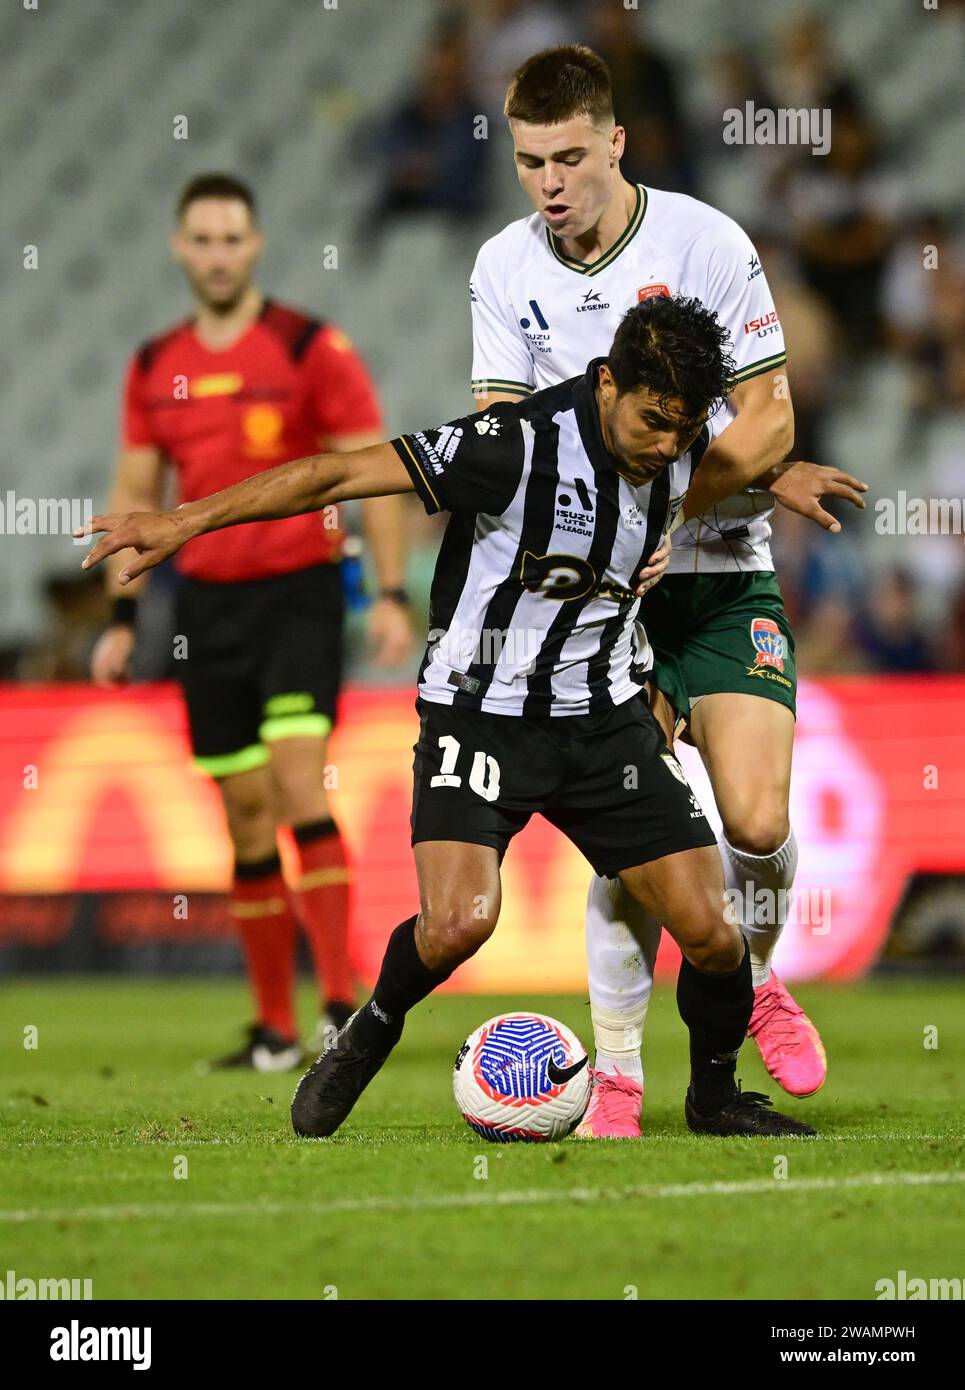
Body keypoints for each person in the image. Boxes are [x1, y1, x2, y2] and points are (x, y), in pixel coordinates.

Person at [80, 295, 817, 1143]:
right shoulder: (511, 446)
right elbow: (334, 474)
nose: (662, 448)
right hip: (478, 716)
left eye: (680, 432)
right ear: (607, 384)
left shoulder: (675, 449)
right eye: (651, 422)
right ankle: (367, 1031)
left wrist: (781, 472)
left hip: (603, 717)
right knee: (457, 923)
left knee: (714, 934)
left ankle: (714, 1100)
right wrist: (185, 520)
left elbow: (731, 459)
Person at [469, 46, 867, 1137]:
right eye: (526, 161)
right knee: (638, 848)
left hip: (718, 573)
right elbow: (512, 442)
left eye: (566, 157)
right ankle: (618, 1076)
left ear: (614, 142)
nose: (548, 183)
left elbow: (773, 421)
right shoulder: (504, 268)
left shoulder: (705, 242)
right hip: (601, 600)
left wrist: (671, 513)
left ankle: (749, 976)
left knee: (752, 818)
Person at [90, 173, 413, 1072]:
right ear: (179, 248)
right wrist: (122, 611)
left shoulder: (310, 347)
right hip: (206, 608)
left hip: (301, 595)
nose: (218, 254)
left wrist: (389, 592)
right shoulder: (156, 365)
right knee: (241, 818)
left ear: (257, 243)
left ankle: (344, 1010)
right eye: (203, 239)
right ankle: (276, 1029)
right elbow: (135, 489)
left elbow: (373, 469)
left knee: (299, 788)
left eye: (233, 238)